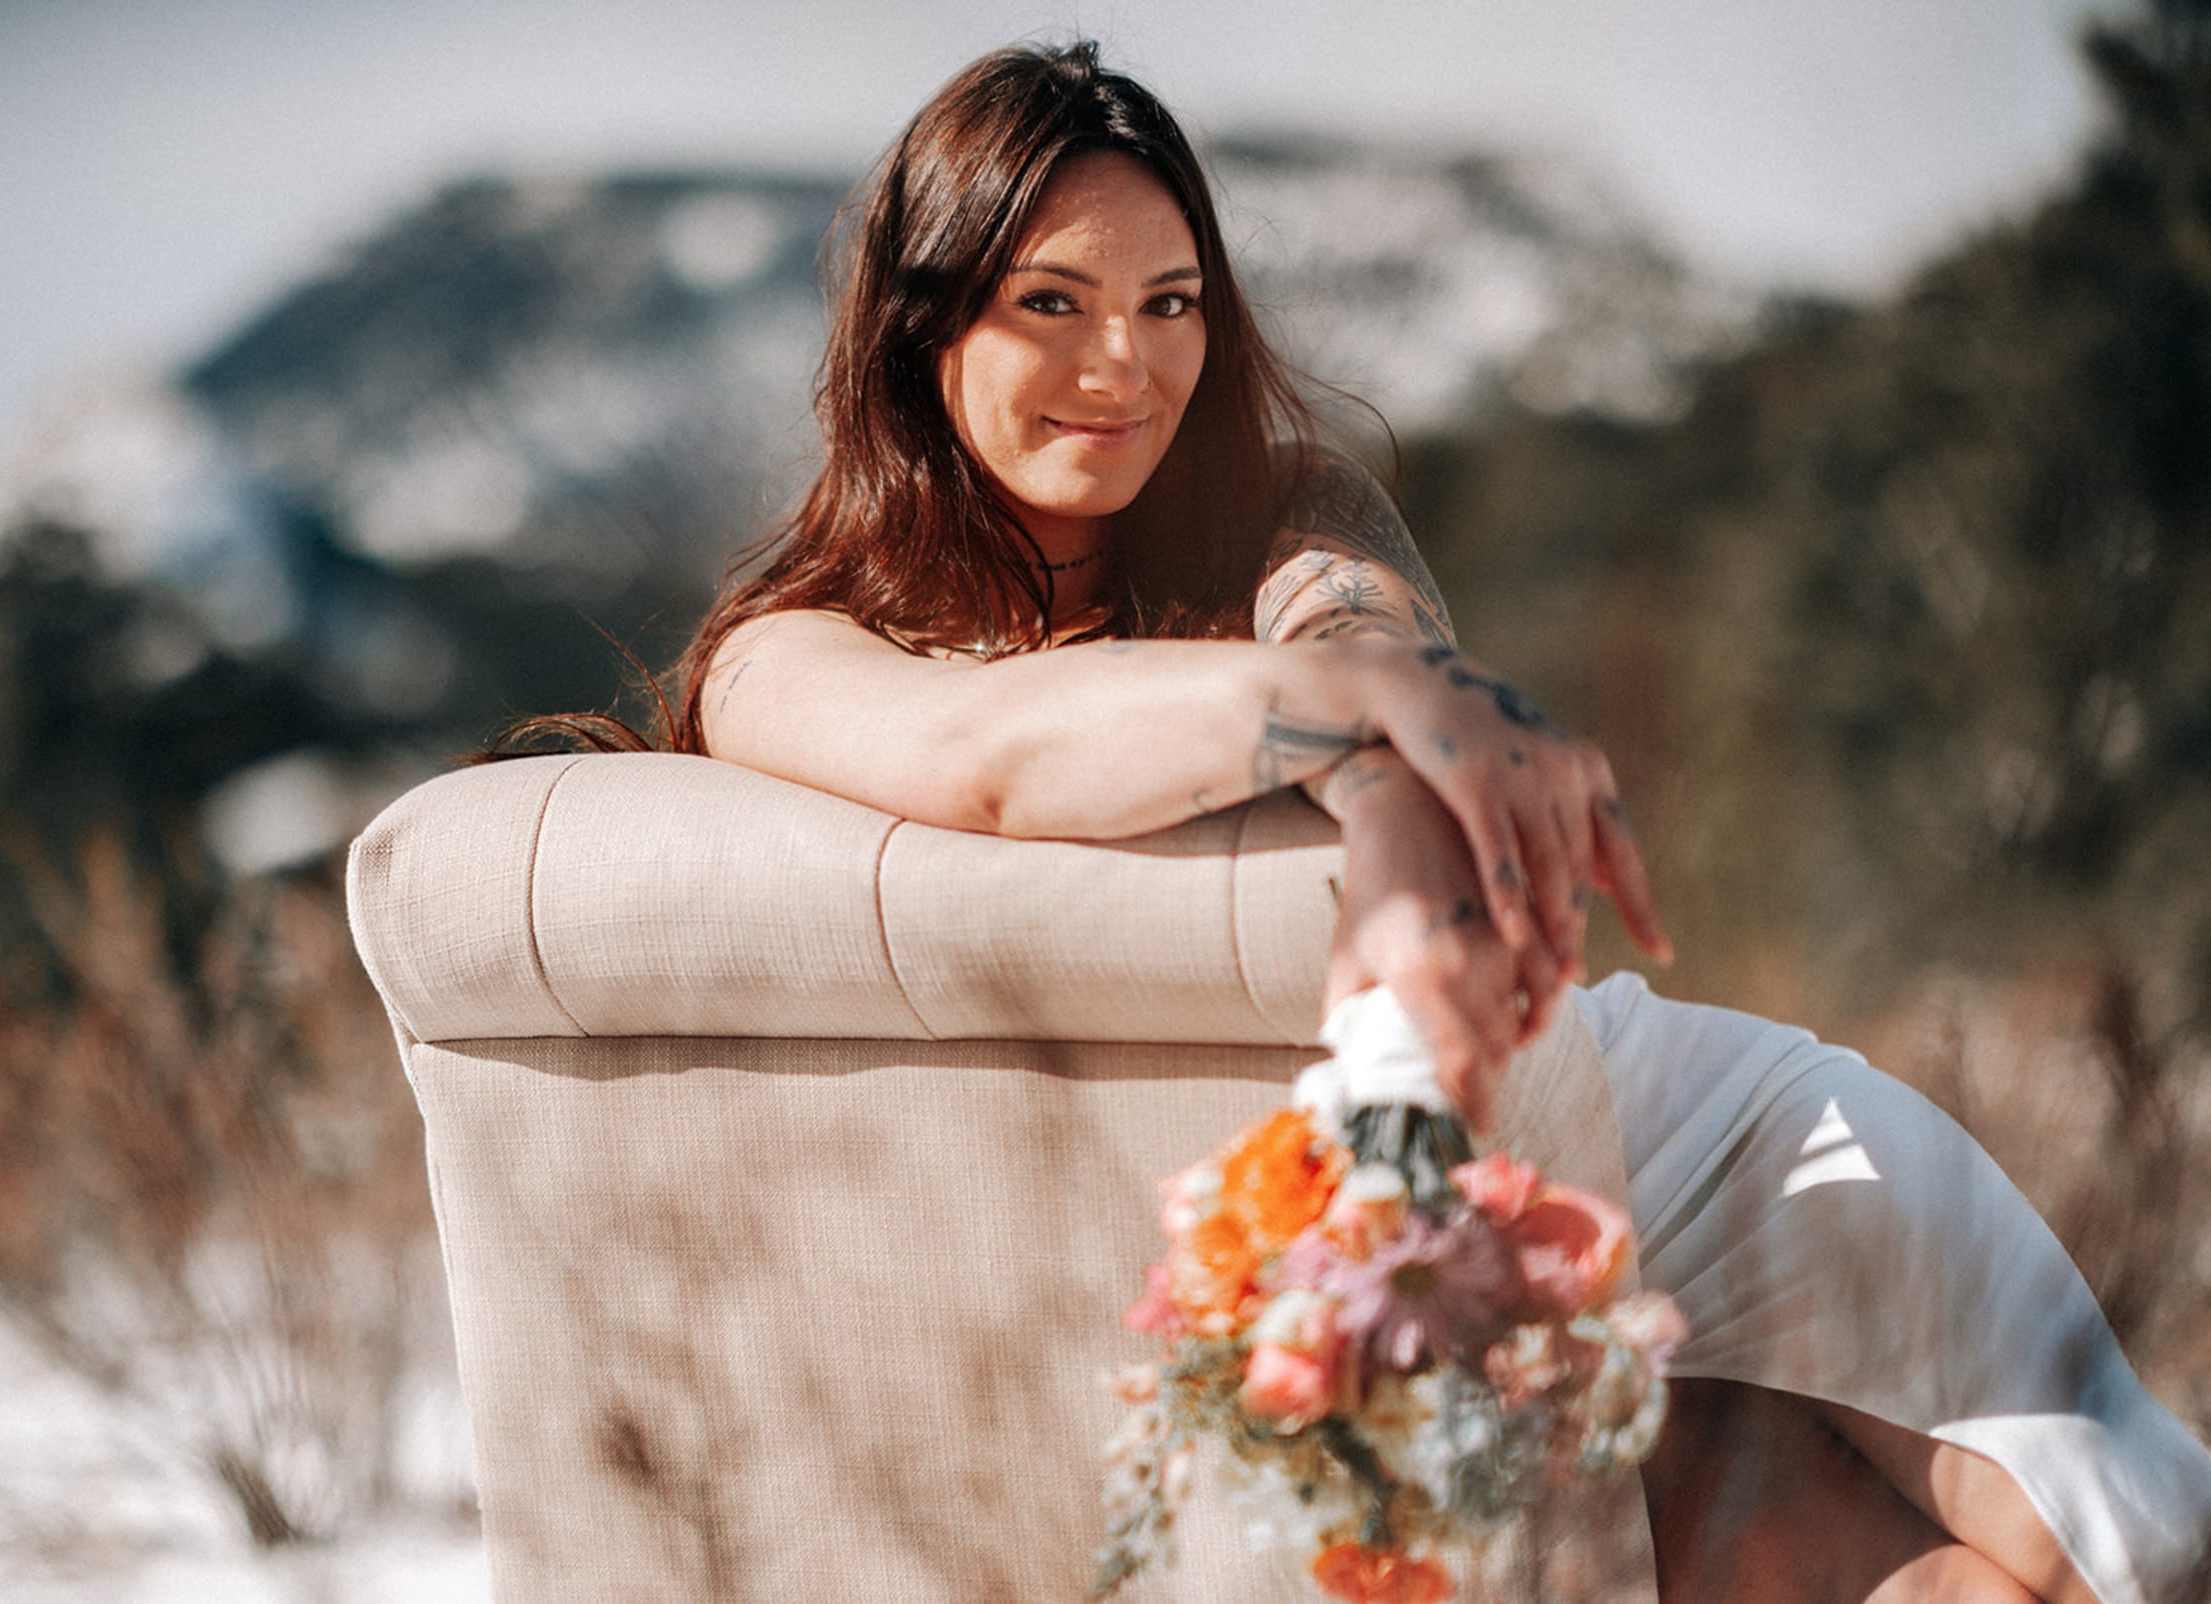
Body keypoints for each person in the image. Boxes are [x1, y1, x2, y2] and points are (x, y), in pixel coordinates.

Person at [546, 41, 2211, 1604]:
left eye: (1171, 301)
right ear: (922, 329)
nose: (1125, 365)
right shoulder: (781, 651)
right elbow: (989, 754)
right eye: (1050, 300)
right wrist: (1367, 720)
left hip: (1703, 1142)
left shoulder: (1287, 509)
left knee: (2125, 1549)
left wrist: (1371, 729)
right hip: (1424, 1278)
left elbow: (1364, 662)